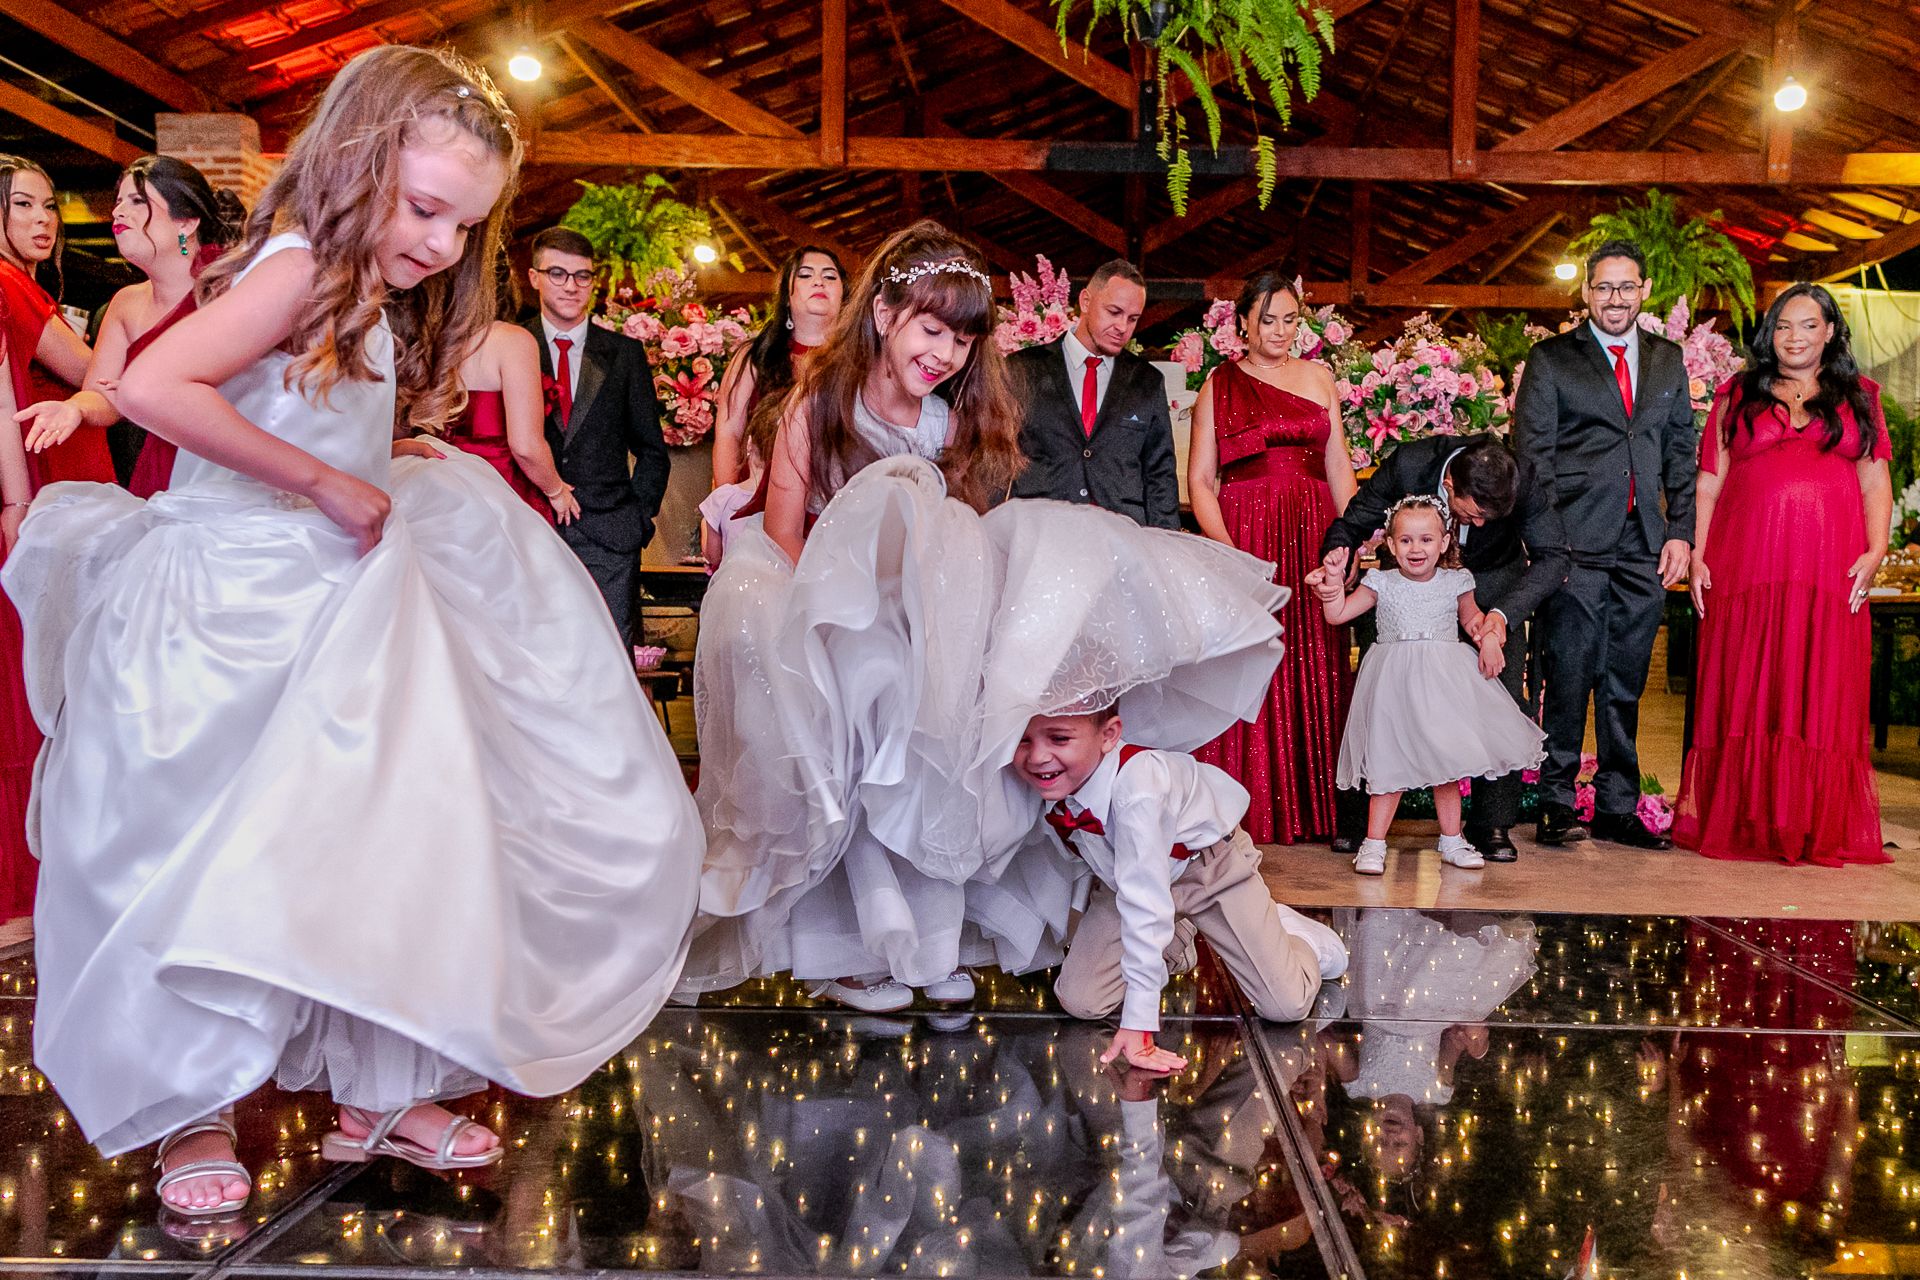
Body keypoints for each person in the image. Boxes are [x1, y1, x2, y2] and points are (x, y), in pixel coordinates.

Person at [2, 46, 700, 1223]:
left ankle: (382, 1083)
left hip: (332, 592)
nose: (435, 242)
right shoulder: (297, 261)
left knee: (377, 829)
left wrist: (380, 457)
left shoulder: (364, 280)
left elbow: (314, 405)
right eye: (423, 207)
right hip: (232, 591)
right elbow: (165, 387)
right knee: (202, 842)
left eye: (460, 225)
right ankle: (194, 1105)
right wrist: (324, 482)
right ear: (359, 161)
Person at [684, 220, 1290, 1013]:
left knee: (943, 753)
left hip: (919, 605)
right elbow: (788, 534)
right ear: (883, 315)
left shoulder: (946, 417)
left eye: (962, 342)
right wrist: (846, 623)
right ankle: (857, 952)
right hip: (823, 602)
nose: (943, 355)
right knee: (864, 746)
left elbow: (954, 531)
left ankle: (929, 943)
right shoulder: (817, 406)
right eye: (931, 331)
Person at [1676, 283, 1891, 865]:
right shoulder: (1736, 394)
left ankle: (1811, 824)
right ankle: (1747, 819)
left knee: (1819, 683)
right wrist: (1698, 554)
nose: (1793, 337)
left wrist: (1876, 551)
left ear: (1830, 332)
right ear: (1769, 334)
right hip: (1746, 567)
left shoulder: (1862, 396)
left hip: (1829, 570)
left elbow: (1874, 481)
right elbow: (1709, 483)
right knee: (1752, 684)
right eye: (1782, 326)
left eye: (1807, 325)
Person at [1013, 706, 1347, 1073]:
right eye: (1023, 740)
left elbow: (1145, 904)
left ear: (1109, 735)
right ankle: (1178, 935)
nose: (1038, 756)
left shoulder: (1138, 788)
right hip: (1127, 883)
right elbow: (1135, 891)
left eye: (1059, 738)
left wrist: (1139, 1023)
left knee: (1286, 1006)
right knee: (1080, 1001)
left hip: (1209, 869)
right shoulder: (1050, 780)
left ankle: (1302, 938)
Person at [1509, 239, 1696, 850]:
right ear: (1586, 293)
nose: (1615, 298)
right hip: (1573, 545)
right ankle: (1556, 802)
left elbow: (1679, 452)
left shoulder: (1668, 360)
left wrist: (1682, 534)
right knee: (1567, 675)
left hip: (1644, 544)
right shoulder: (1552, 360)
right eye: (1603, 287)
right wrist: (1549, 540)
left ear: (1644, 291)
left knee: (1624, 680)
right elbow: (1531, 459)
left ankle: (1617, 806)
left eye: (1627, 286)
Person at [1319, 435, 1568, 862]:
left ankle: (1490, 825)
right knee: (1385, 713)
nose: (1483, 524)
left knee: (1499, 695)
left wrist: (1500, 619)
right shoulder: (1411, 464)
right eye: (1474, 513)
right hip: (1405, 592)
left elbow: (1553, 556)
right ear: (1450, 485)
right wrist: (1335, 560)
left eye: (1494, 516)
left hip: (1491, 584)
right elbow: (1353, 522)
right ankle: (1361, 828)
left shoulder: (1519, 476)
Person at [1188, 272, 1357, 844]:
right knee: (1251, 662)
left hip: (1311, 532)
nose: (1281, 331)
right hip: (1248, 533)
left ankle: (1316, 812)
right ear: (1242, 323)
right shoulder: (1220, 383)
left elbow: (1340, 471)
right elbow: (1201, 481)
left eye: (1290, 319)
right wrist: (1232, 559)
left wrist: (1347, 542)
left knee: (1314, 654)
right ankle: (1248, 810)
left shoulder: (1319, 378)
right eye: (1268, 320)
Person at [0, 154, 118, 920]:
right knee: (46, 670)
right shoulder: (9, 284)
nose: (43, 219)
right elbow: (85, 369)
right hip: (44, 478)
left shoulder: (28, 283)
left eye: (50, 206)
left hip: (54, 474)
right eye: (23, 206)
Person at [11, 156, 243, 499]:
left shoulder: (233, 289)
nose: (118, 212)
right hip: (165, 466)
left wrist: (156, 391)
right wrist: (74, 408)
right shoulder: (125, 303)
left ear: (187, 223)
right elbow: (102, 394)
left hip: (234, 459)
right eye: (118, 201)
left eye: (137, 201)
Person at [520, 226, 669, 644]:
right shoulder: (515, 345)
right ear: (534, 277)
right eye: (558, 274)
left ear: (593, 282)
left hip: (610, 535)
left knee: (610, 662)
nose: (571, 286)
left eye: (582, 276)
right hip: (530, 528)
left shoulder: (623, 354)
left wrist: (638, 519)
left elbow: (652, 450)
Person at [1005, 259, 1177, 528]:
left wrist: (1166, 550)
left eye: (1133, 319)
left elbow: (1159, 474)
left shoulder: (1148, 381)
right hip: (1041, 532)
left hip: (1123, 538)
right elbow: (995, 458)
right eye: (1114, 312)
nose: (1123, 327)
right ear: (1086, 301)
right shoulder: (1022, 370)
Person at [700, 245, 842, 566]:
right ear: (787, 297)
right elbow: (728, 434)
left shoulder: (856, 364)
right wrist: (728, 506)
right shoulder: (755, 356)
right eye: (806, 275)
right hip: (758, 510)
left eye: (830, 276)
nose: (819, 282)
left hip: (833, 515)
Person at [447, 318, 578, 524]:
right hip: (501, 486)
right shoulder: (511, 339)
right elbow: (524, 446)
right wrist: (556, 491)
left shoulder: (437, 338)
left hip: (446, 484)